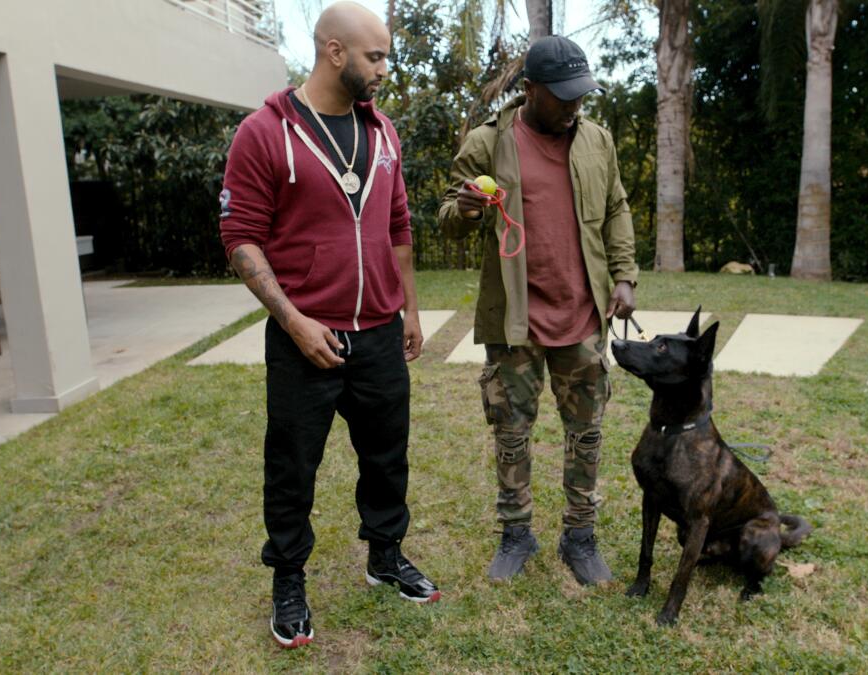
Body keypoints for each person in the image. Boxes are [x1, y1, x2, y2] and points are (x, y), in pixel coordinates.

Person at [219, 1, 439, 650]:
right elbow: (240, 239)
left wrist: (411, 311)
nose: (384, 71)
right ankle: (289, 578)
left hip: (377, 333)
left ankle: (385, 554)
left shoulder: (384, 134)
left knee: (386, 456)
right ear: (335, 52)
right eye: (376, 57)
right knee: (292, 467)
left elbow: (399, 228)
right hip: (303, 339)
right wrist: (293, 321)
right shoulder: (264, 132)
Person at [439, 35, 638, 585]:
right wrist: (466, 209)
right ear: (529, 91)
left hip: (582, 316)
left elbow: (617, 207)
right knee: (511, 434)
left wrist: (624, 276)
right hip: (516, 320)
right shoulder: (487, 144)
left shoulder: (597, 141)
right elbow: (447, 219)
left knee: (587, 434)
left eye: (581, 96)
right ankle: (516, 535)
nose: (575, 106)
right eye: (563, 96)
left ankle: (580, 537)